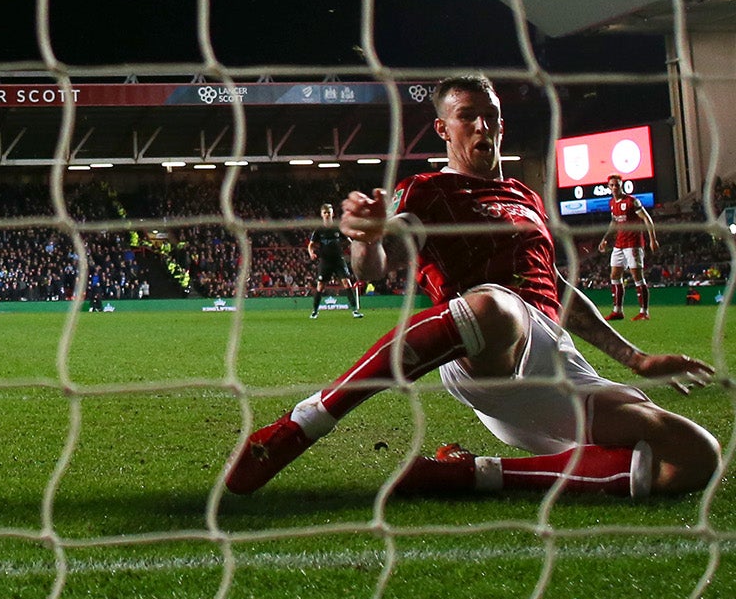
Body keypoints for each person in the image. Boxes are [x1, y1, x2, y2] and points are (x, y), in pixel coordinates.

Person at [226, 75, 720, 500]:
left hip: (552, 358)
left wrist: (636, 359)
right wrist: (366, 238)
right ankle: (304, 422)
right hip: (486, 348)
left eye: (492, 117)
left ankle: (469, 474)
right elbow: (376, 266)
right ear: (443, 128)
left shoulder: (526, 196)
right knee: (497, 308)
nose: (483, 126)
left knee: (696, 456)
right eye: (468, 117)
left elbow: (557, 287)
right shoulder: (427, 191)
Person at [597, 176, 656, 322]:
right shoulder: (612, 203)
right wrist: (605, 239)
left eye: (617, 185)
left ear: (621, 185)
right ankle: (617, 311)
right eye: (612, 185)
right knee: (614, 275)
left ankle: (644, 312)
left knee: (637, 276)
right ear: (608, 187)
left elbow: (646, 218)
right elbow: (614, 222)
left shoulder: (631, 201)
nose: (614, 188)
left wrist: (652, 239)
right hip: (619, 244)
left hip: (633, 243)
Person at [307, 202, 362, 318]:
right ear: (322, 214)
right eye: (325, 212)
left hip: (338, 260)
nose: (327, 214)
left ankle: (355, 311)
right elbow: (311, 245)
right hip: (325, 261)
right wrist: (311, 252)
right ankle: (315, 311)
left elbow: (348, 240)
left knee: (347, 283)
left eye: (329, 212)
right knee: (320, 286)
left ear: (332, 214)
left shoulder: (338, 228)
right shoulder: (319, 230)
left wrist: (352, 248)